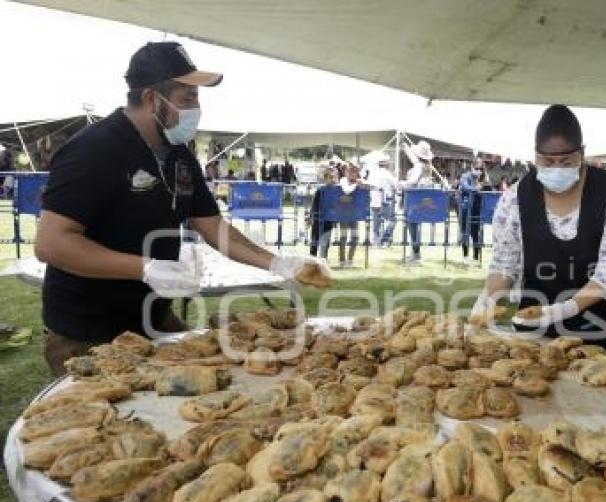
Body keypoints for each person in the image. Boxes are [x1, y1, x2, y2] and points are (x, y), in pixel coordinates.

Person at [34, 41, 329, 377]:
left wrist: (278, 263)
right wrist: (144, 268)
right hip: (88, 331)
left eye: (197, 99)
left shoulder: (179, 155)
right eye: (187, 99)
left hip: (153, 317)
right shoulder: (94, 150)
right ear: (150, 99)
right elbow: (51, 243)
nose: (196, 109)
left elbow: (213, 226)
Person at [472, 104, 606, 351]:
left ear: (582, 153)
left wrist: (566, 308)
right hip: (535, 311)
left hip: (601, 314)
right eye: (547, 161)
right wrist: (488, 299)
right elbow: (504, 263)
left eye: (566, 161)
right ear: (535, 156)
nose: (556, 168)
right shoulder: (515, 198)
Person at [399, 140, 434, 264]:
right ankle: (415, 253)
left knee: (412, 227)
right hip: (421, 200)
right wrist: (406, 148)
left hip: (414, 200)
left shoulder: (419, 166)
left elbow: (412, 182)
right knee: (414, 227)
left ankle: (416, 254)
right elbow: (414, 160)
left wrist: (401, 183)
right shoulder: (427, 166)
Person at [365, 153, 397, 247]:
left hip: (374, 200)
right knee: (392, 220)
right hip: (385, 200)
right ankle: (386, 238)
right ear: (386, 164)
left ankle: (376, 242)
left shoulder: (372, 173)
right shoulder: (387, 174)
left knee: (376, 223)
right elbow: (395, 185)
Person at [458, 158, 484, 265]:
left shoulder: (483, 177)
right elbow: (465, 187)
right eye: (476, 168)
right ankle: (465, 256)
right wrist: (475, 188)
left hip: (477, 207)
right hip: (466, 207)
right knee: (465, 232)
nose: (478, 170)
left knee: (476, 232)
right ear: (472, 167)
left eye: (480, 168)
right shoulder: (465, 176)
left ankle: (476, 257)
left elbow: (488, 189)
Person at [309, 168, 338, 259]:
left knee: (326, 242)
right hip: (318, 219)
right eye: (330, 177)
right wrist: (311, 217)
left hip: (329, 220)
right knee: (314, 241)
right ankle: (312, 259)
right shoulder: (320, 190)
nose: (333, 180)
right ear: (325, 179)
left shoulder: (337, 191)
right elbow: (314, 205)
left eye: (334, 177)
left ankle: (323, 259)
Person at [337, 164, 362, 267]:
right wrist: (357, 184)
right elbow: (347, 190)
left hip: (354, 214)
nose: (352, 173)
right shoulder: (342, 180)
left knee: (355, 237)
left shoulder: (359, 181)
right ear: (346, 172)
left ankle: (350, 260)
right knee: (343, 237)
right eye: (350, 171)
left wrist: (362, 182)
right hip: (343, 214)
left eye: (354, 171)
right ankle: (342, 261)